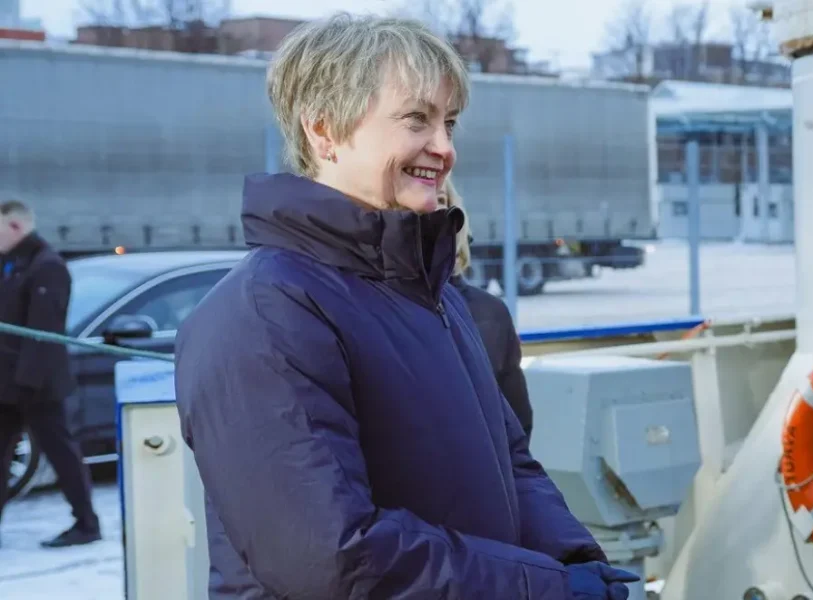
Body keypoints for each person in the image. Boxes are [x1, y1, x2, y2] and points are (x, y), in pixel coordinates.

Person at [173, 14, 636, 599]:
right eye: (416, 120)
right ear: (324, 132)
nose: (443, 148)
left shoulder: (432, 296)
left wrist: (578, 562)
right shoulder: (267, 313)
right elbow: (332, 557)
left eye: (450, 123)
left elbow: (510, 465)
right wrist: (550, 590)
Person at [0, 200, 99, 549]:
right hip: (8, 384)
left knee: (61, 453)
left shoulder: (47, 266)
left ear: (14, 227)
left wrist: (25, 385)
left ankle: (87, 523)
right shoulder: (12, 263)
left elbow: (43, 333)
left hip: (37, 386)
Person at [440, 176, 534, 435]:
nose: (432, 212)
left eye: (440, 202)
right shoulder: (376, 308)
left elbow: (517, 422)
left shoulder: (490, 313)